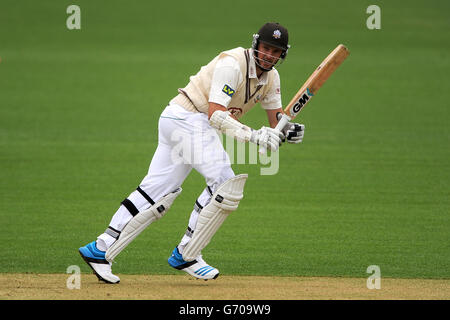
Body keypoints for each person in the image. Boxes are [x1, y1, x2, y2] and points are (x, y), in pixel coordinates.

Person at [79, 22, 305, 283]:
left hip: (181, 121)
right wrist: (253, 135)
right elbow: (215, 114)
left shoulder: (272, 78)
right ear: (256, 44)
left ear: (282, 54)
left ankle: (100, 248)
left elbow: (277, 121)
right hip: (188, 118)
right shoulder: (233, 64)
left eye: (276, 51)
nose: (269, 55)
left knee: (156, 192)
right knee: (225, 183)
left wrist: (288, 131)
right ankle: (187, 253)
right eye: (266, 48)